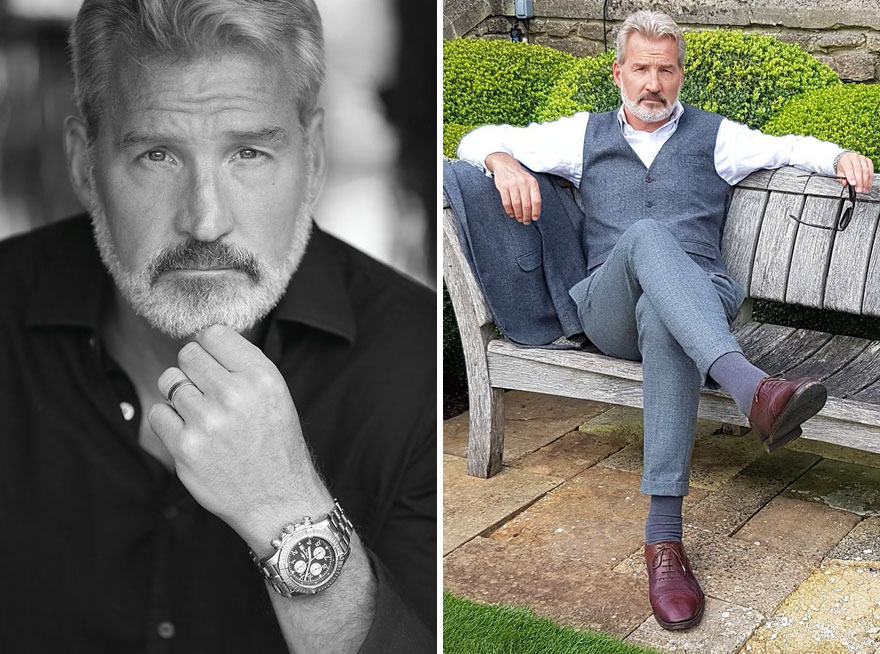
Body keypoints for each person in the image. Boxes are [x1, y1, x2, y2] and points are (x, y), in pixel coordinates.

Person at [0, 1, 435, 652]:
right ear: (86, 167)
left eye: (248, 153)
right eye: (157, 155)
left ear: (313, 159)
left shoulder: (416, 364)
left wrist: (286, 509)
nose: (205, 222)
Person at [457, 9, 874, 632]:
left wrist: (841, 153)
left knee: (665, 316)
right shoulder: (582, 135)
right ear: (618, 73)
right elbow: (474, 138)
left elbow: (788, 148)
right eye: (641, 70)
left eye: (666, 70)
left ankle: (664, 541)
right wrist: (503, 161)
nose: (653, 84)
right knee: (648, 237)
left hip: (695, 302)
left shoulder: (717, 137)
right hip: (609, 311)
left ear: (681, 74)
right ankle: (750, 387)